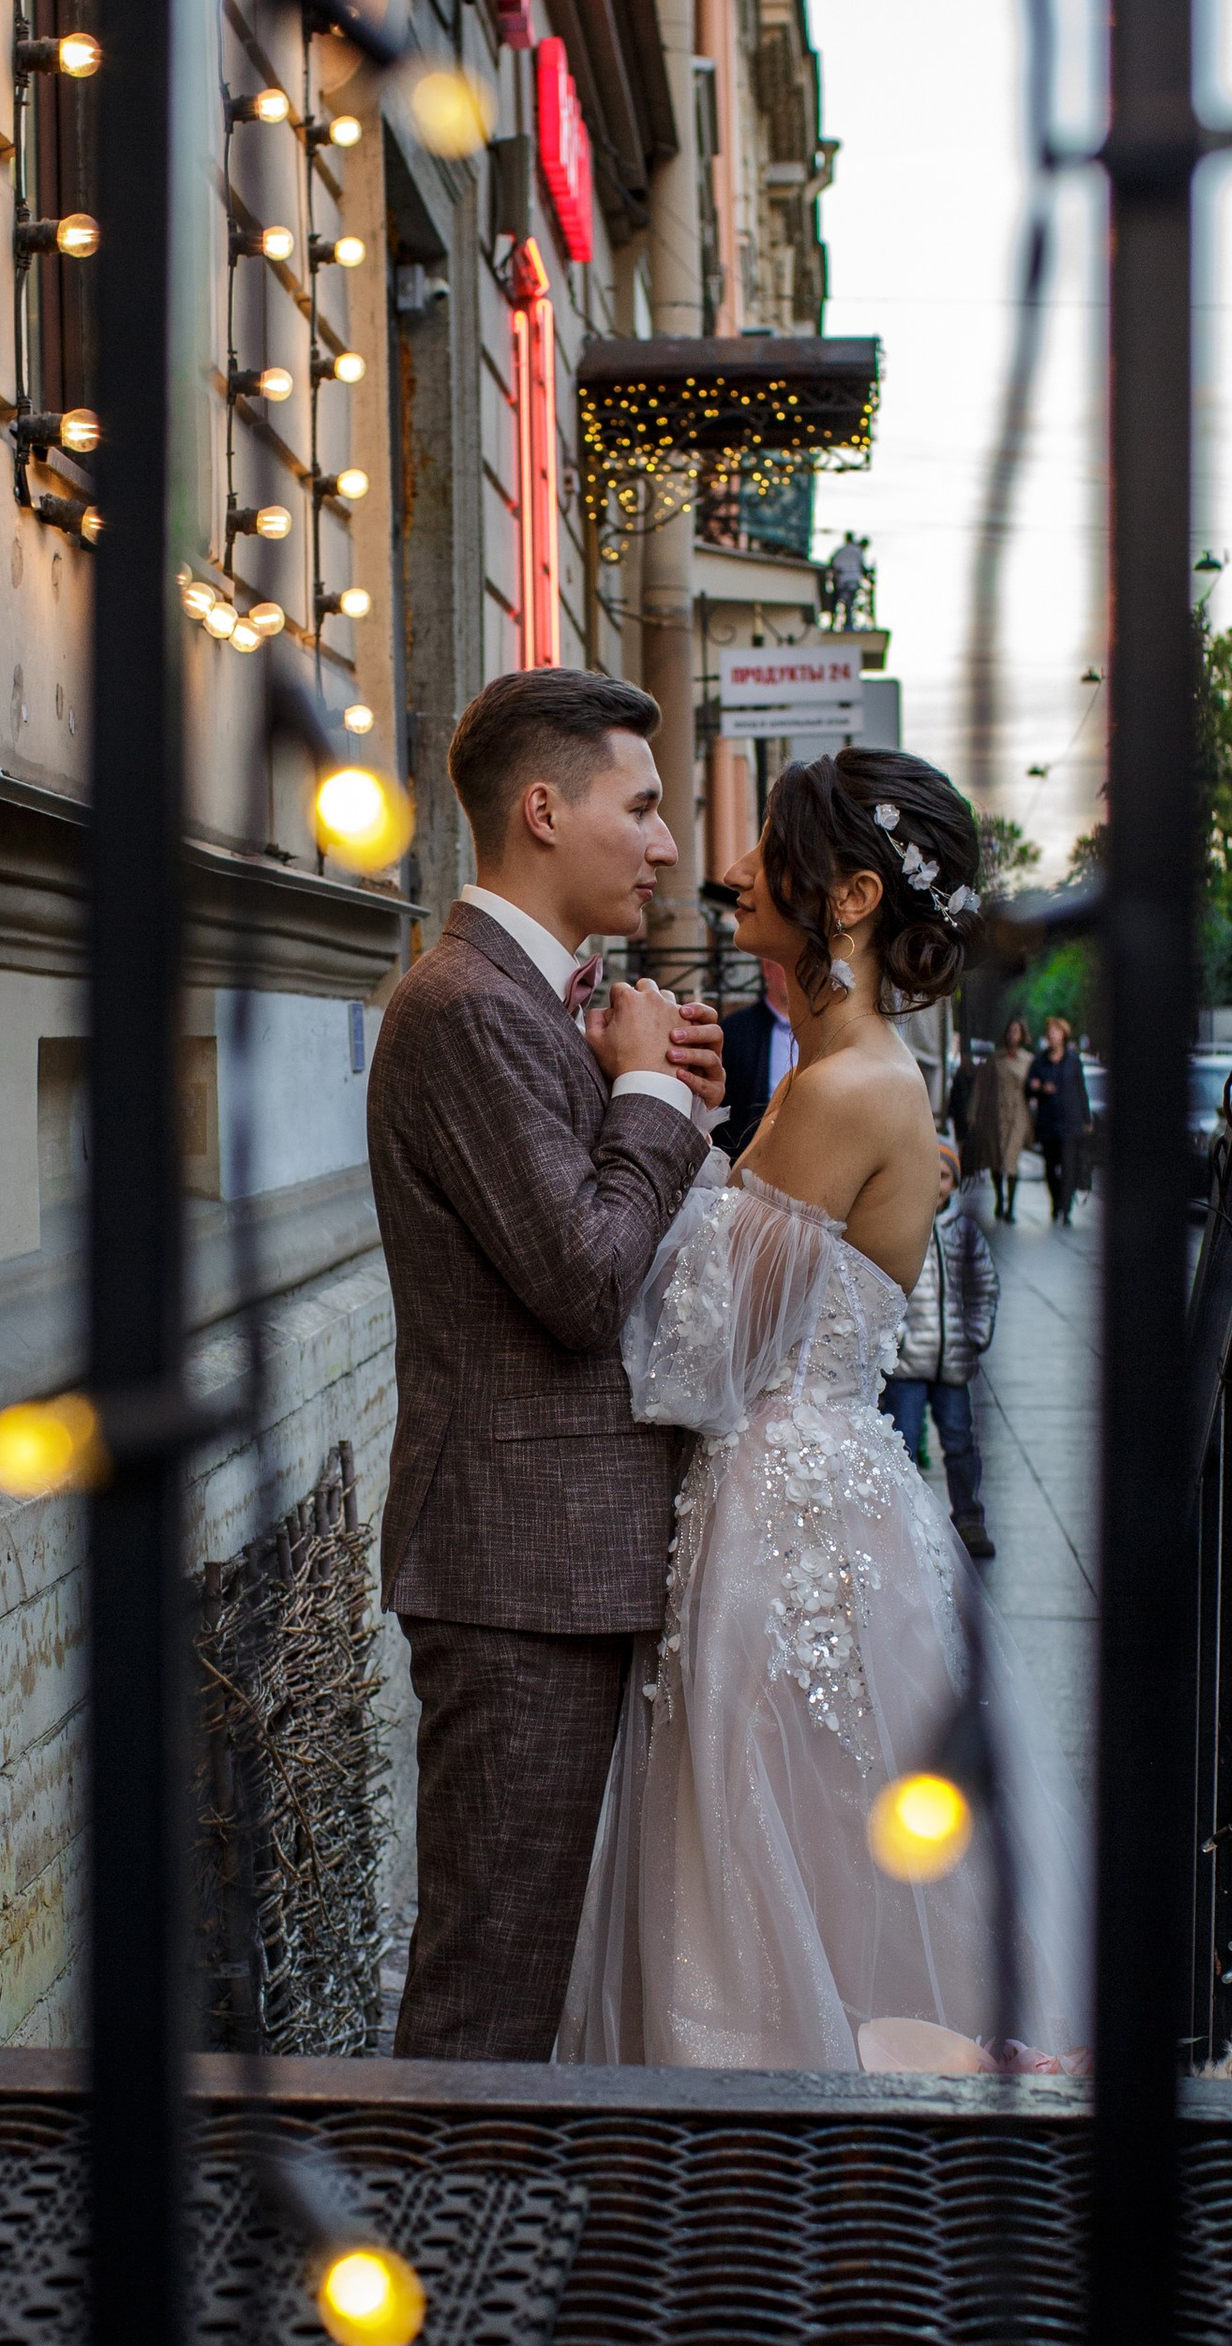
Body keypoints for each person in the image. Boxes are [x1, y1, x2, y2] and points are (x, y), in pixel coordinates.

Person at [559, 748, 1088, 2075]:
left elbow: (695, 1362)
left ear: (848, 896)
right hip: (820, 1494)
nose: (737, 876)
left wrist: (656, 1112)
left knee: (764, 1873)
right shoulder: (841, 1077)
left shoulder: (845, 1090)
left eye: (771, 859)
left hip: (779, 1521)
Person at [367, 667, 726, 2061]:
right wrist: (643, 1098)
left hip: (563, 1565)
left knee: (542, 1970)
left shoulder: (537, 1006)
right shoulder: (461, 1007)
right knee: (489, 1988)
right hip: (516, 1576)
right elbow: (582, 1282)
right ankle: (431, 2262)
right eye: (639, 807)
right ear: (540, 809)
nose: (666, 844)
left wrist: (661, 1095)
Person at [882, 1139, 997, 1563]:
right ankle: (904, 1519)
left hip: (953, 1363)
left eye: (944, 1176)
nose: (936, 1185)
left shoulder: (963, 1232)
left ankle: (968, 1516)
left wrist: (975, 1335)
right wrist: (893, 1342)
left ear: (955, 1182)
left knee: (960, 1441)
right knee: (903, 1441)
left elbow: (985, 1288)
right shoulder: (899, 1225)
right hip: (908, 1363)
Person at [717, 952, 798, 1159]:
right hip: (750, 1156)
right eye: (786, 961)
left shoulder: (826, 1031)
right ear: (767, 967)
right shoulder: (735, 1030)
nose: (796, 971)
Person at [1025, 1013, 1090, 1225]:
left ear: (1063, 1035)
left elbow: (1082, 1091)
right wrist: (1039, 1088)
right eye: (1050, 1032)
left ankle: (1066, 1208)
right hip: (1048, 1123)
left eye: (1056, 1032)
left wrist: (1086, 1119)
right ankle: (1056, 1201)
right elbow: (1029, 1088)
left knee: (1069, 1166)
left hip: (1071, 1122)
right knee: (1051, 1166)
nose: (1052, 1036)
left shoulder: (1073, 1060)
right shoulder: (1040, 1060)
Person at [972, 1015, 1033, 1221]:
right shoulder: (995, 1059)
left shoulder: (1028, 1061)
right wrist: (974, 1114)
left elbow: (1033, 1089)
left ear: (1023, 1035)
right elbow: (981, 1087)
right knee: (996, 1160)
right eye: (1010, 1031)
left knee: (1011, 1160)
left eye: (1017, 1031)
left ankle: (1011, 1208)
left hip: (1017, 1115)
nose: (1012, 1035)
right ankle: (1000, 1198)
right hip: (995, 1115)